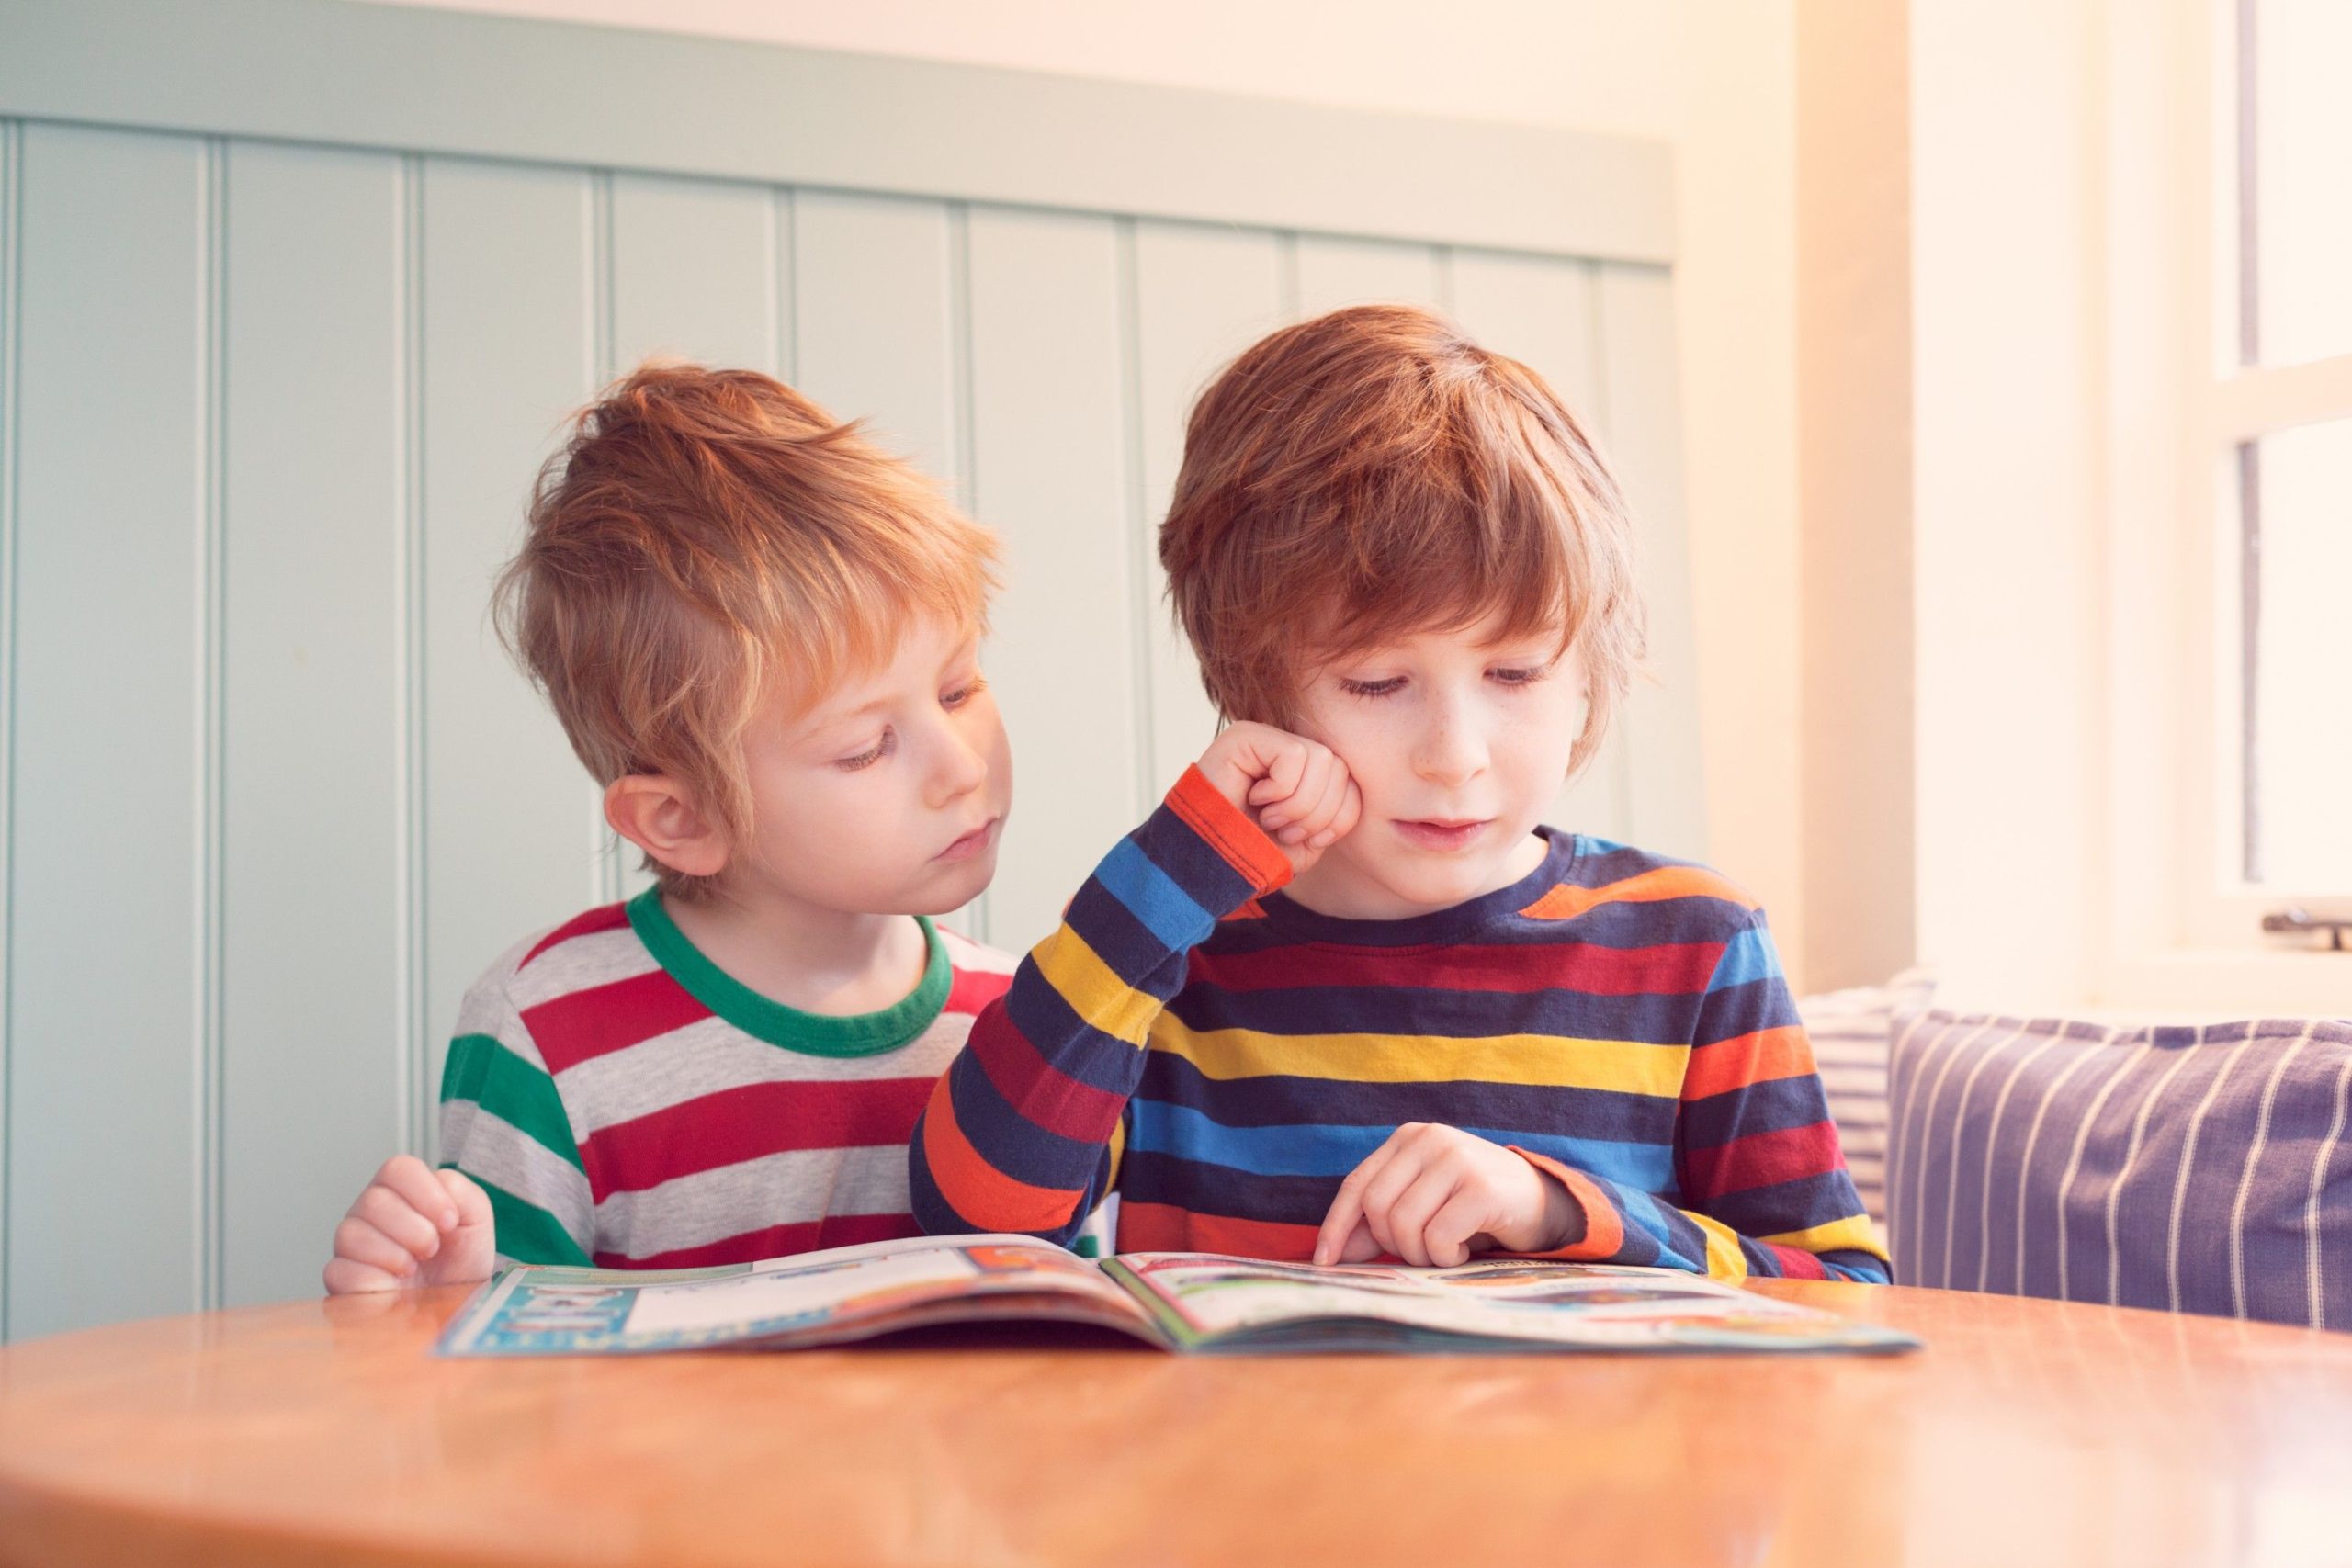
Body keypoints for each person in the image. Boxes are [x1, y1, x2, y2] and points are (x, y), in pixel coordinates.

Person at [910, 304, 1888, 1282]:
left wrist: (1561, 1213)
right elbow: (978, 1215)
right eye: (1376, 685)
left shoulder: (1696, 945)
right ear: (1252, 689)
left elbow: (1848, 1295)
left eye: (1514, 675)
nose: (1453, 756)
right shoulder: (1170, 950)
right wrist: (1166, 885)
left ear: (1586, 670)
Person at [324, 363, 1019, 1292]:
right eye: (864, 747)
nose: (963, 766)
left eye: (959, 689)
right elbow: (498, 1399)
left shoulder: (1018, 1018)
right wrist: (431, 1306)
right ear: (681, 819)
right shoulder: (547, 1032)